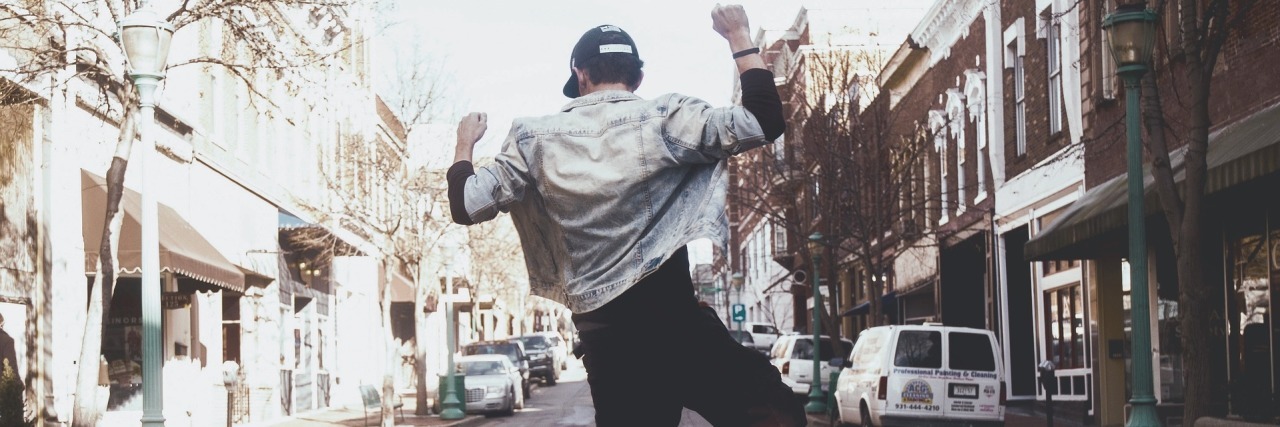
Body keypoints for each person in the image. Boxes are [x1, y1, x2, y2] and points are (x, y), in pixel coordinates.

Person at [446, 5, 800, 426]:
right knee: (777, 414)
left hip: (607, 341)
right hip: (675, 326)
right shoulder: (668, 117)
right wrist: (738, 34)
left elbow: (466, 205)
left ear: (580, 75)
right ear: (638, 78)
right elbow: (764, 119)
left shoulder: (531, 138)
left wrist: (464, 143)